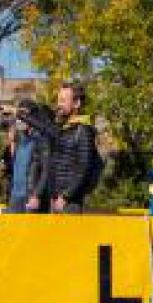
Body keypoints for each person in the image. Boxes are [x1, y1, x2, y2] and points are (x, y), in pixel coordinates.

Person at [19, 84, 101, 214]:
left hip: (70, 203)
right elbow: (42, 126)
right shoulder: (63, 128)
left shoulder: (84, 130)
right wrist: (16, 113)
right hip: (56, 200)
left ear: (77, 103)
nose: (59, 104)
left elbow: (83, 169)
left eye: (63, 100)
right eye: (58, 100)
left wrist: (66, 196)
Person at [0, 109, 37, 213]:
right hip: (15, 193)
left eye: (23, 119)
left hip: (28, 193)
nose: (20, 122)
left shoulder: (35, 142)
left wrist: (35, 194)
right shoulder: (18, 143)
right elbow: (12, 163)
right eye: (19, 120)